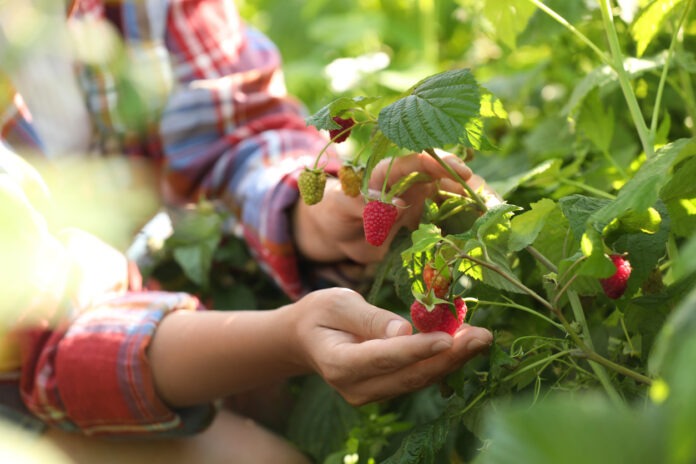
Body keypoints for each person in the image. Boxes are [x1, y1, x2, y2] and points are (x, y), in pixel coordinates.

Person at [0, 1, 494, 463]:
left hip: (111, 303)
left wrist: (308, 213)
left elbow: (232, 127)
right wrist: (284, 340)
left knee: (270, 401)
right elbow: (44, 336)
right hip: (21, 351)